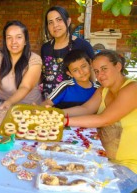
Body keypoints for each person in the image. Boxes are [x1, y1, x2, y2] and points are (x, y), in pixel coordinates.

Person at [63, 50, 137, 192]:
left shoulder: (132, 89)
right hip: (104, 160)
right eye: (96, 71)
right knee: (65, 175)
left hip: (130, 167)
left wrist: (64, 122)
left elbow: (104, 120)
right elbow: (85, 109)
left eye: (104, 69)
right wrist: (54, 114)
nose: (100, 75)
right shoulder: (103, 90)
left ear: (118, 66)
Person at [0, 20, 42, 109]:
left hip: (28, 107)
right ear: (5, 41)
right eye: (9, 37)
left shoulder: (34, 60)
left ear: (25, 40)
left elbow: (25, 86)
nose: (13, 41)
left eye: (18, 37)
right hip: (1, 105)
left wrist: (9, 102)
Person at [41, 6, 94, 99]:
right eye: (50, 22)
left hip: (76, 102)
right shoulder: (45, 48)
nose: (55, 25)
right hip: (48, 102)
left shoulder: (82, 46)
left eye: (59, 20)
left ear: (68, 21)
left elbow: (92, 74)